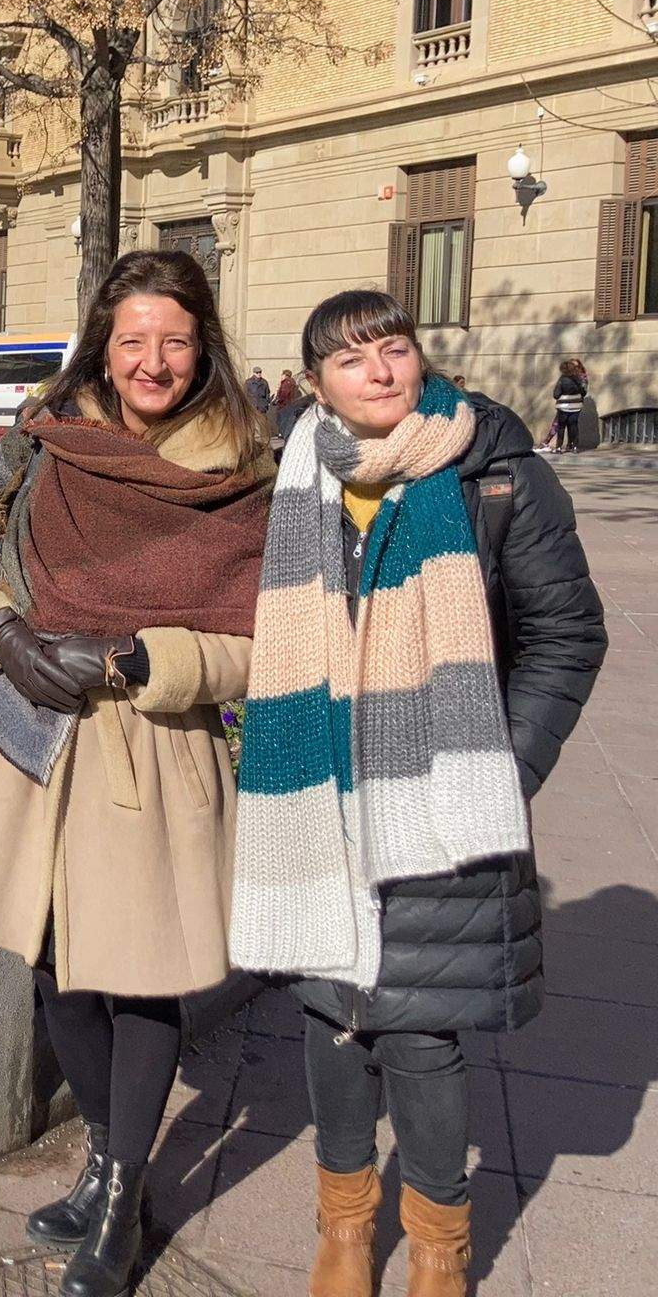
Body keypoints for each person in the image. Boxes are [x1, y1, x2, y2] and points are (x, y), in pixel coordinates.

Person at [232, 290, 604, 1297]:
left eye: (392, 349)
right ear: (315, 385)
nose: (379, 371)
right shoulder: (294, 472)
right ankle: (344, 1228)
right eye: (351, 360)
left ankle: (439, 1245)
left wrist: (499, 769)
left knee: (418, 1028)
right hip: (317, 792)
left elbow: (567, 634)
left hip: (444, 794)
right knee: (329, 1013)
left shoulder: (491, 469)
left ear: (417, 357)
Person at [0, 250, 274, 1297]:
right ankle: (103, 1162)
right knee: (52, 967)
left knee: (141, 979)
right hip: (36, 742)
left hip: (154, 750)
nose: (152, 362)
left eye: (174, 341)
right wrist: (1, 632)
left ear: (203, 347)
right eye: (132, 340)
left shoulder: (244, 470)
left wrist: (144, 659)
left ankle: (123, 1198)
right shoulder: (41, 444)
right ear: (103, 344)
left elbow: (267, 641)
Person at [546, 358, 587, 454]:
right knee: (573, 426)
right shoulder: (579, 379)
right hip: (576, 407)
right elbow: (583, 392)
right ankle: (575, 446)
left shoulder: (562, 380)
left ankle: (559, 448)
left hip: (563, 407)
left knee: (561, 427)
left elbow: (556, 395)